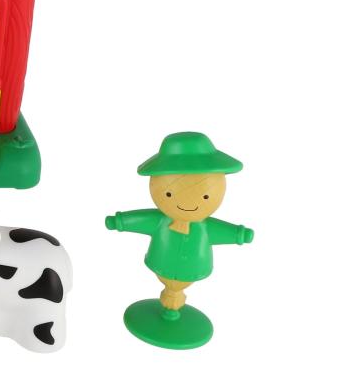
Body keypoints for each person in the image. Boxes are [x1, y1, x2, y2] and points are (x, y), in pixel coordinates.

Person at [106, 131, 253, 347]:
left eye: (205, 195)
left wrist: (238, 234)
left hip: (188, 266)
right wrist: (121, 222)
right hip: (163, 261)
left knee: (177, 285)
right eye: (169, 194)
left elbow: (223, 231)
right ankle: (170, 306)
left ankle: (172, 307)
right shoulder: (162, 221)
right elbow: (142, 220)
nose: (187, 203)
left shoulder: (203, 227)